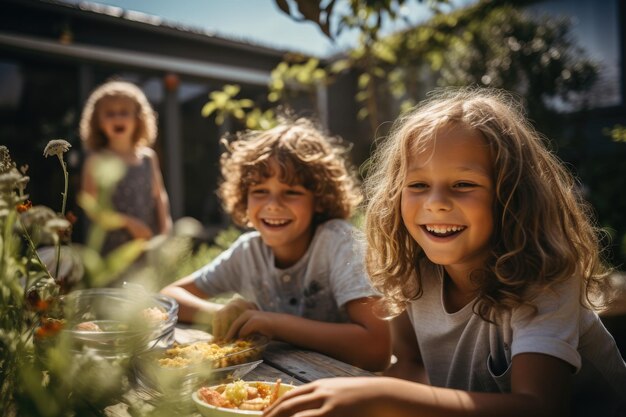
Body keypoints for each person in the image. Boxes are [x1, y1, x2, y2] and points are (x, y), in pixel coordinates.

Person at [264, 88, 626, 417]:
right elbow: (410, 367)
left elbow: (538, 407)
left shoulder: (546, 280)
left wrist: (380, 395)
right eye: (418, 185)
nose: (436, 203)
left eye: (463, 184)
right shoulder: (411, 274)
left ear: (513, 196)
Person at [160, 118, 391, 372]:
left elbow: (377, 349)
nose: (273, 204)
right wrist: (219, 313)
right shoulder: (249, 251)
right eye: (259, 191)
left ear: (320, 200)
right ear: (243, 197)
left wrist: (274, 324)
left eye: (291, 192)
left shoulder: (340, 244)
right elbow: (168, 296)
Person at [79, 80, 172, 255]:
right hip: (114, 251)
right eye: (110, 113)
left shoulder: (148, 158)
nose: (117, 118)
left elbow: (159, 195)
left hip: (148, 244)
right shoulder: (96, 160)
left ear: (138, 118)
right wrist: (129, 223)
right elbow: (92, 208)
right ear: (97, 121)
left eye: (124, 112)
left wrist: (166, 228)